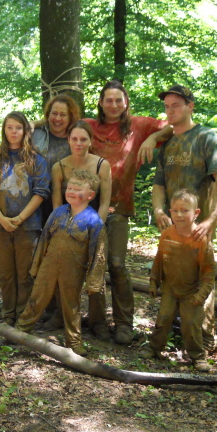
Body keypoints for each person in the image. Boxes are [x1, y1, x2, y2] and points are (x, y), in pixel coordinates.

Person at [81, 80, 173, 346]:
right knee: (95, 264)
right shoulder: (88, 125)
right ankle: (98, 322)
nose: (113, 105)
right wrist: (32, 124)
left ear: (126, 103)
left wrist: (153, 138)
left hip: (120, 207)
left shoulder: (139, 125)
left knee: (118, 264)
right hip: (89, 207)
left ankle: (123, 323)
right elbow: (57, 121)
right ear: (100, 103)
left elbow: (173, 124)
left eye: (118, 100)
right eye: (108, 100)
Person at [151, 84, 217, 353]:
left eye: (176, 105)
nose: (170, 111)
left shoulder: (206, 137)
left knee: (201, 277)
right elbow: (159, 184)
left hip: (200, 225)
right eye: (167, 107)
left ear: (190, 106)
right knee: (174, 271)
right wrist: (159, 210)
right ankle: (177, 330)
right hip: (174, 225)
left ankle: (204, 340)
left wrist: (212, 219)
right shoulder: (168, 144)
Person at [15, 169, 107, 356]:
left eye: (77, 189)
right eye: (69, 188)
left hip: (74, 270)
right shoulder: (57, 213)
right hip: (49, 266)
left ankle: (73, 341)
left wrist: (93, 282)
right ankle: (19, 331)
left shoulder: (94, 221)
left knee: (71, 305)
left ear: (90, 195)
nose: (71, 192)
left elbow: (98, 253)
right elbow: (44, 240)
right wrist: (37, 265)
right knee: (36, 298)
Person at [0, 111, 51, 326]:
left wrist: (20, 218)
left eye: (18, 128)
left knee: (25, 273)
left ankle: (23, 316)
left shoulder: (36, 160)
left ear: (26, 131)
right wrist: (1, 218)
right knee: (6, 273)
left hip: (28, 226)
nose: (14, 132)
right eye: (9, 127)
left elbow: (41, 192)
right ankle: (8, 314)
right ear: (4, 130)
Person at [45, 120, 111, 336]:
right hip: (67, 226)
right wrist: (65, 229)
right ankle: (61, 314)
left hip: (94, 225)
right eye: (74, 139)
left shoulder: (102, 165)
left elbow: (105, 202)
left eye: (83, 139)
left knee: (95, 269)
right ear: (68, 140)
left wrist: (95, 229)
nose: (79, 143)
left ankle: (98, 321)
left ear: (91, 141)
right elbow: (57, 204)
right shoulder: (59, 167)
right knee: (63, 268)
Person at [146, 189, 215, 372]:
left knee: (191, 324)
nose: (179, 215)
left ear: (196, 213)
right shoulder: (167, 234)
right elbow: (159, 260)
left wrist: (201, 295)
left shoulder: (201, 240)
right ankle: (154, 347)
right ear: (170, 212)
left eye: (185, 211)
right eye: (175, 211)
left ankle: (198, 356)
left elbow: (208, 273)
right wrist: (154, 280)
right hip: (170, 287)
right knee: (164, 317)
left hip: (192, 290)